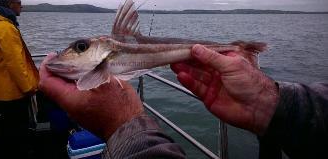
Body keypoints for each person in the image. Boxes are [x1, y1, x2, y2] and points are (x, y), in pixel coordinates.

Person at [38, 45, 327, 159]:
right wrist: (270, 104)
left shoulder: (110, 54)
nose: (73, 52)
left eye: (80, 47)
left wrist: (122, 125)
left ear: (104, 48)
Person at [0, 0, 39, 158]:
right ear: (10, 5)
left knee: (4, 132)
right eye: (19, 2)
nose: (21, 6)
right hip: (11, 94)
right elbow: (15, 63)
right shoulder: (6, 28)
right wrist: (29, 88)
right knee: (15, 134)